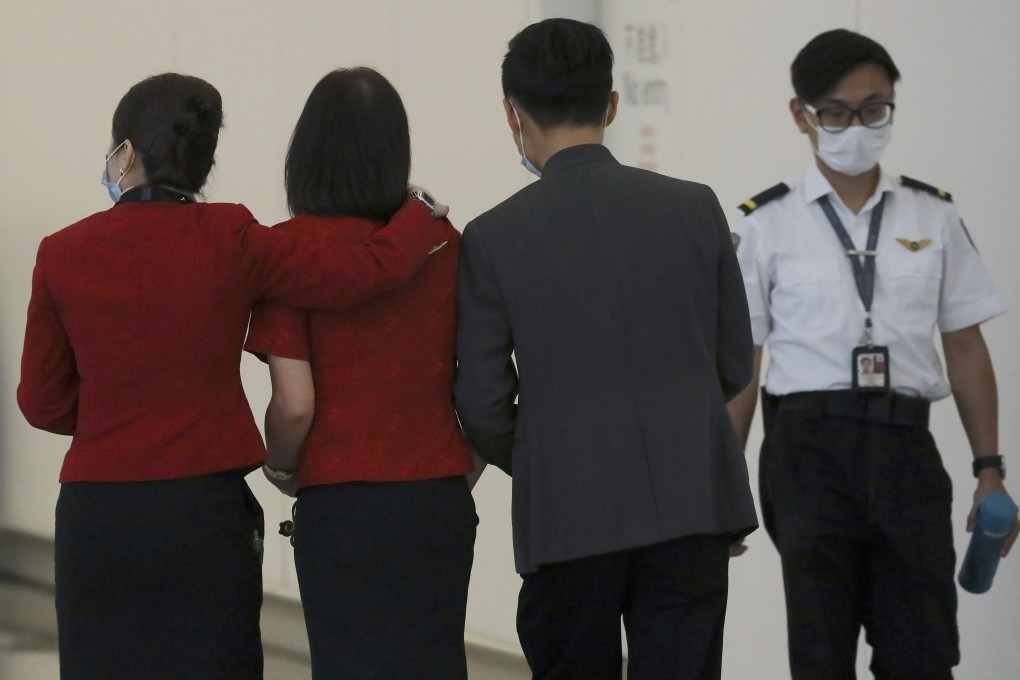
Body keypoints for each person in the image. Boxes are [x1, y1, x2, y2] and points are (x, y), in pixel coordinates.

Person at [16, 72, 448, 680]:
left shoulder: (61, 251)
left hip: (100, 514)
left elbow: (40, 401)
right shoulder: (232, 236)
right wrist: (420, 213)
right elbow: (364, 273)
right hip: (205, 513)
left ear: (127, 153)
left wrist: (117, 417)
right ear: (204, 160)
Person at [454, 18, 757, 680]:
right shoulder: (694, 208)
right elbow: (734, 362)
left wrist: (543, 453)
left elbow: (480, 403)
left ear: (514, 112)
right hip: (691, 508)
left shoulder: (493, 236)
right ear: (611, 105)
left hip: (568, 519)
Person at [728, 29, 1020, 679]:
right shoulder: (762, 223)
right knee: (821, 650)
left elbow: (965, 345)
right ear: (801, 115)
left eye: (874, 108)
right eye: (836, 112)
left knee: (923, 652)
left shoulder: (932, 215)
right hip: (807, 454)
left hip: (906, 451)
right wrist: (721, 485)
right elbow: (742, 363)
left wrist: (990, 468)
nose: (856, 126)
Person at [243, 67, 479, 680]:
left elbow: (294, 403)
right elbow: (480, 379)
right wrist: (462, 466)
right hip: (438, 498)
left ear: (307, 155)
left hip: (341, 502)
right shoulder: (444, 245)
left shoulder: (289, 251)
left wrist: (283, 467)